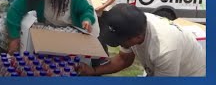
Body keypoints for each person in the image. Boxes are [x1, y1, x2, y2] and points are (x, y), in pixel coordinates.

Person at [77, 4, 206, 77]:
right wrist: (93, 71)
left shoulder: (165, 49)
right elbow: (123, 59)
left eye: (120, 40)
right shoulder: (133, 23)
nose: (120, 44)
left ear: (138, 37)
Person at [87, 0, 118, 65]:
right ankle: (101, 56)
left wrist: (103, 6)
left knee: (102, 35)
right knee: (98, 34)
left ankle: (104, 57)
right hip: (100, 10)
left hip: (107, 11)